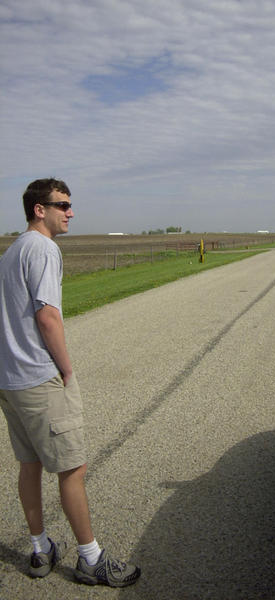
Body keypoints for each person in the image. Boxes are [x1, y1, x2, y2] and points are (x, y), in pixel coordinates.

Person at [0, 178, 141, 587]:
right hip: (38, 377)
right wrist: (66, 369)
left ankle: (40, 547)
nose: (71, 212)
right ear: (39, 209)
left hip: (10, 381)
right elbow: (47, 316)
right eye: (62, 205)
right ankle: (91, 559)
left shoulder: (12, 252)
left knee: (29, 466)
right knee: (73, 468)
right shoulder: (43, 248)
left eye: (69, 205)